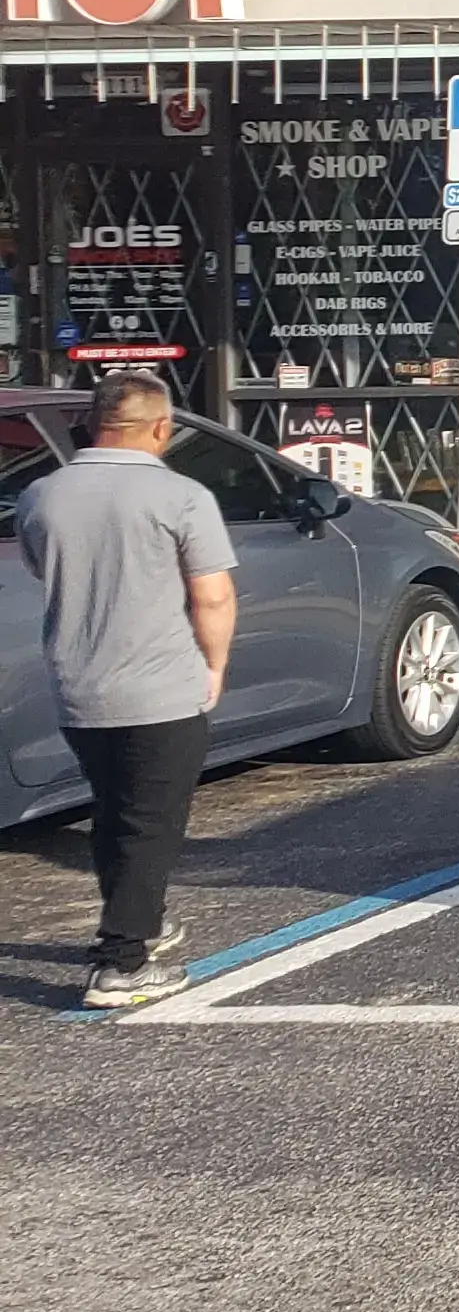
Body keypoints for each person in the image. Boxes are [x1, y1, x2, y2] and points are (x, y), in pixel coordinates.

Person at [17, 373, 236, 1010]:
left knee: (115, 810)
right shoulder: (183, 496)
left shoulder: (42, 495)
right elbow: (213, 594)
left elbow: (44, 569)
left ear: (92, 425)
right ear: (161, 428)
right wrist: (214, 666)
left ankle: (144, 920)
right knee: (152, 824)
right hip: (161, 684)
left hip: (78, 686)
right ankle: (121, 963)